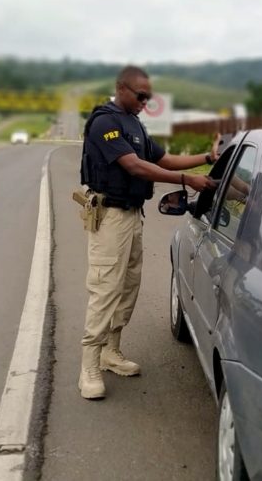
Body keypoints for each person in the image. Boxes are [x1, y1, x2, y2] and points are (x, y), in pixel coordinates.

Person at [78, 65, 217, 400]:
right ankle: (89, 365)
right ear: (121, 88)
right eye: (140, 95)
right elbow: (135, 166)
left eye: (148, 97)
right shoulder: (105, 122)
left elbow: (164, 159)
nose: (145, 101)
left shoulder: (134, 124)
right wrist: (187, 181)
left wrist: (208, 157)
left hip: (132, 214)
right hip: (110, 216)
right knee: (105, 287)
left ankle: (112, 351)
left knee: (128, 286)